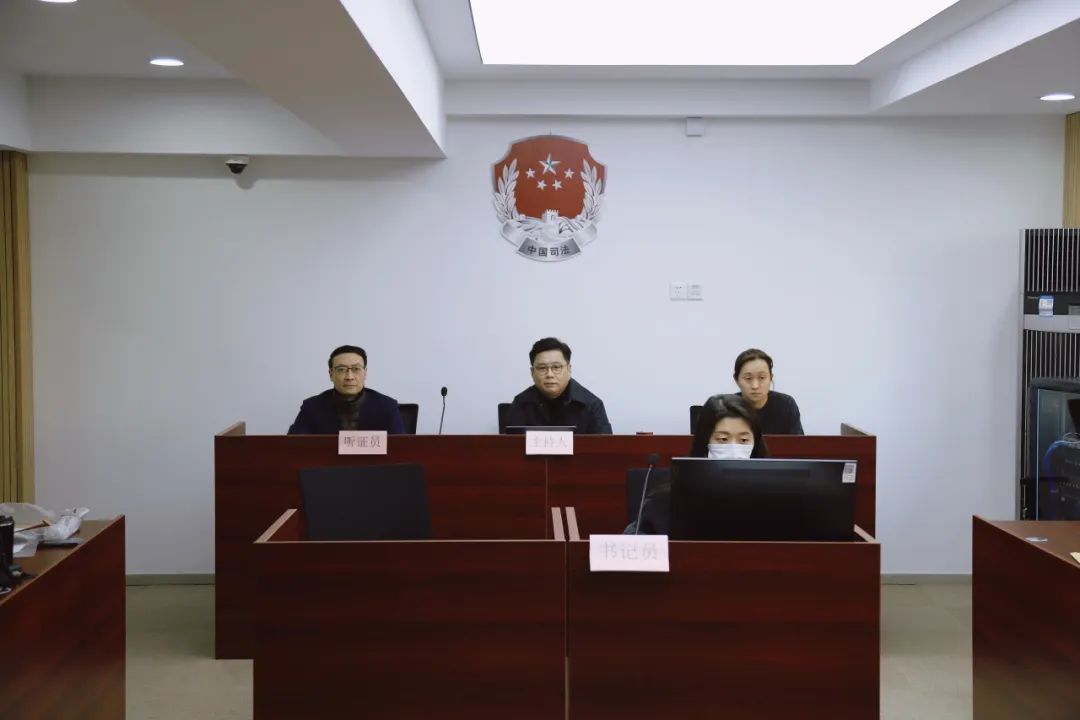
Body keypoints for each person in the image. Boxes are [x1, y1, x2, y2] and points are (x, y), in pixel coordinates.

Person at [630, 394, 768, 534]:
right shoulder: (665, 502)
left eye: (743, 440)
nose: (733, 449)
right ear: (705, 442)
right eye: (723, 439)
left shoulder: (771, 498)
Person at [287, 345, 405, 434]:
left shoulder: (387, 407)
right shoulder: (312, 407)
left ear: (365, 373)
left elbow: (400, 450)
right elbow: (293, 447)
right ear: (331, 374)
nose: (349, 377)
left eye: (356, 369)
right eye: (341, 369)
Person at [504, 337, 612, 434]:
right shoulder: (521, 403)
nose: (549, 374)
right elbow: (509, 447)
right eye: (542, 368)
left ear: (569, 369)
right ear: (532, 372)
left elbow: (605, 448)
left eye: (556, 367)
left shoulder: (592, 405)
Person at [732, 348, 804, 435]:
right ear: (736, 380)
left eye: (762, 377)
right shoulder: (728, 408)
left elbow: (797, 442)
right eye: (748, 378)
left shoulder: (786, 405)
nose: (755, 386)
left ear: (770, 378)